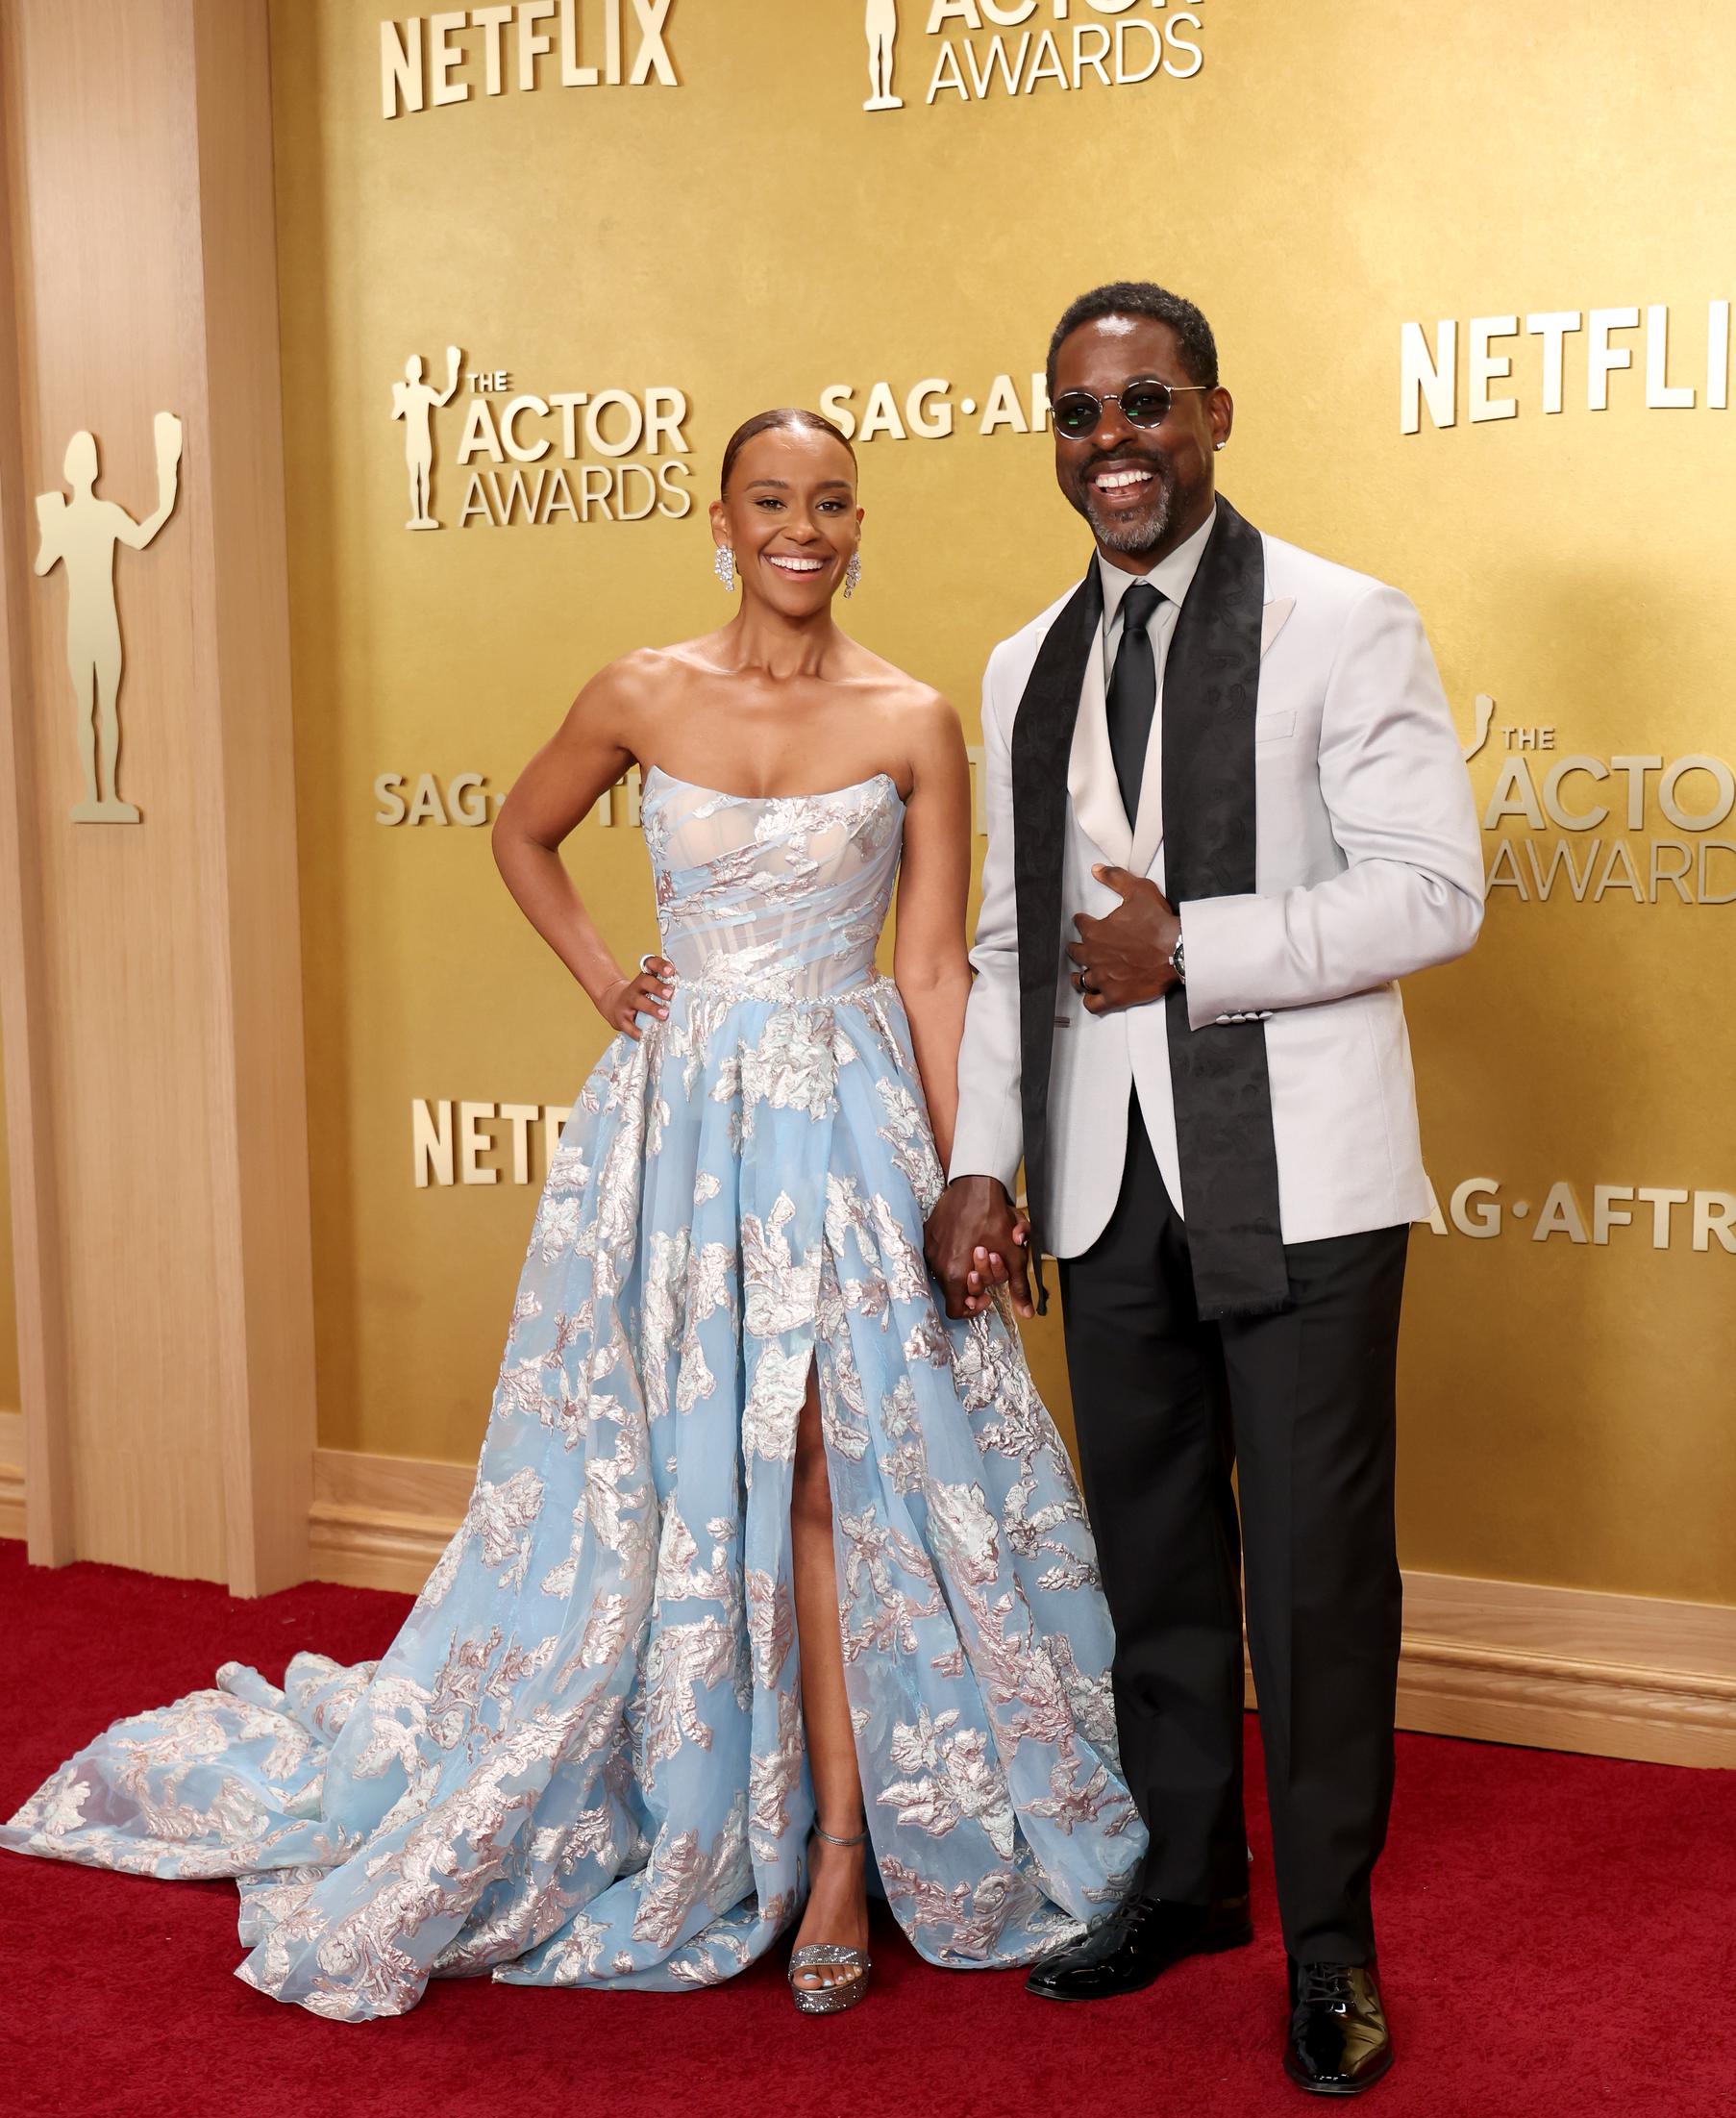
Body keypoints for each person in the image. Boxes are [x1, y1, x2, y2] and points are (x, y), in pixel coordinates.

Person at [2, 408, 1141, 2023]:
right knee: (677, 1463)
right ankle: (703, 1796)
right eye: (768, 501)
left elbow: (932, 965)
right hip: (674, 1134)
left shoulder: (912, 718)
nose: (798, 529)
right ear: (721, 519)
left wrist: (972, 1173)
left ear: (858, 521)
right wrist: (612, 979)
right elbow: (519, 828)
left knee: (824, 1454)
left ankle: (828, 1850)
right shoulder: (638, 689)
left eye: (826, 502)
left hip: (842, 1120)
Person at [925, 285, 1483, 2094]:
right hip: (1102, 1186)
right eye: (1080, 416)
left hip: (1301, 1182)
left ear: (1215, 414)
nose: (1114, 447)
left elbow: (1433, 891)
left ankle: (1329, 1945)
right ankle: (1182, 1885)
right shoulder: (1024, 665)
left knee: (1316, 1578)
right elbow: (1017, 944)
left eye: (1144, 406)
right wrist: (982, 1165)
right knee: (1154, 1559)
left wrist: (1194, 951)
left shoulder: (1344, 620)